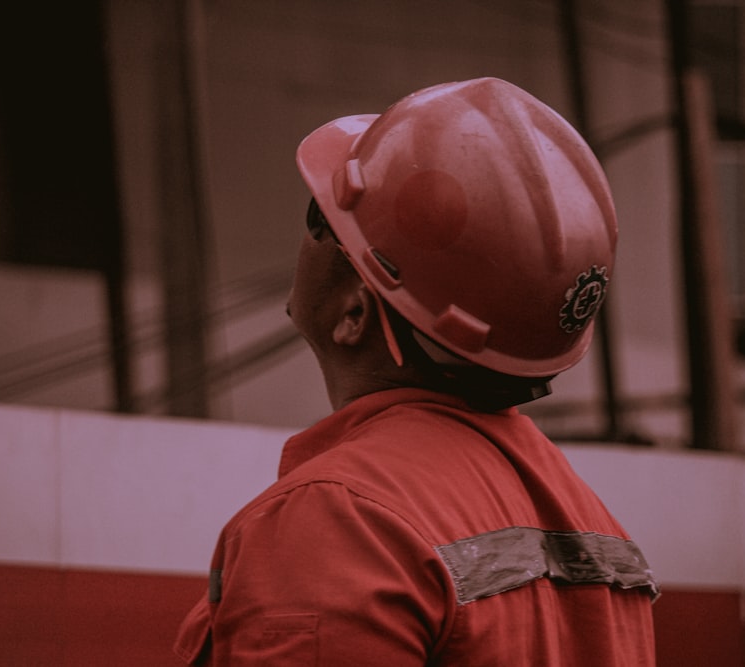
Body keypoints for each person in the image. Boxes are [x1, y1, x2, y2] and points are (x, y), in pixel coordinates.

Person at [174, 77, 658, 666]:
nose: (308, 229)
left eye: (320, 216)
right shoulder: (599, 537)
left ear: (355, 311)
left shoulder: (339, 519)